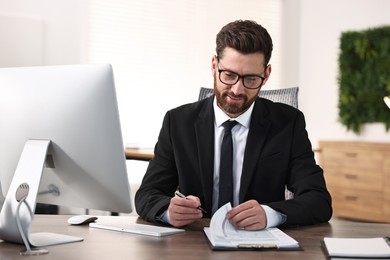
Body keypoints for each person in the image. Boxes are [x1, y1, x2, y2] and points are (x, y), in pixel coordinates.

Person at [135, 19, 332, 230]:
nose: (237, 90)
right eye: (228, 75)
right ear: (213, 65)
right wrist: (168, 211)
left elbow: (318, 200)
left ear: (266, 75)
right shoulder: (178, 122)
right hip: (195, 243)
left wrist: (270, 214)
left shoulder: (288, 123)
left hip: (260, 246)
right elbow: (147, 194)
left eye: (250, 79)